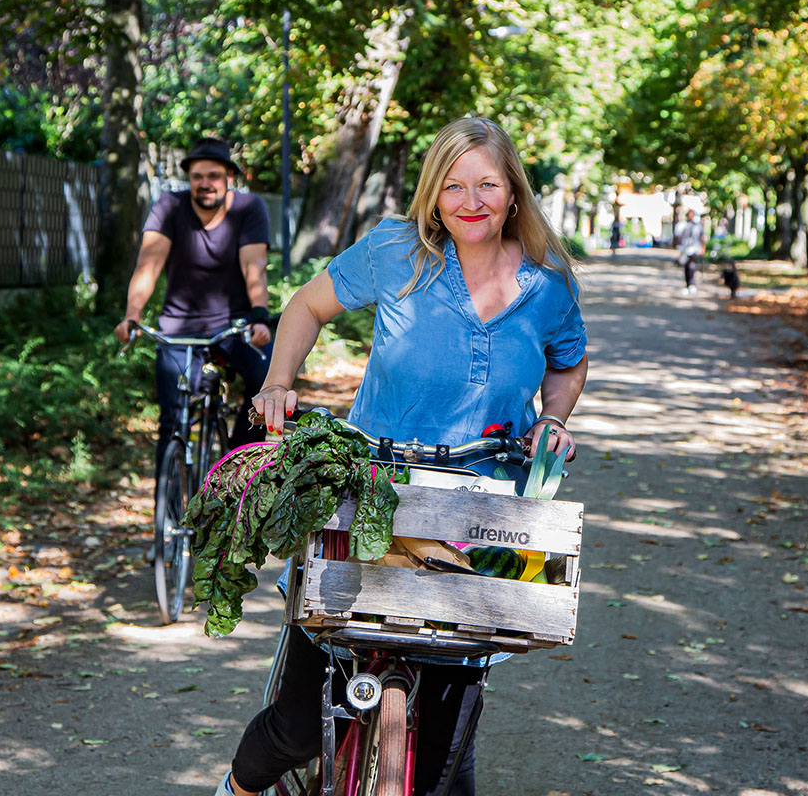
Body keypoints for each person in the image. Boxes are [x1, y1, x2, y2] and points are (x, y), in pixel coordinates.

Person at [216, 117, 589, 796]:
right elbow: (304, 307)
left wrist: (554, 418)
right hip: (367, 496)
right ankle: (236, 790)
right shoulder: (397, 250)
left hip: (481, 521)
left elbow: (570, 361)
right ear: (432, 193)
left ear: (512, 194)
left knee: (448, 753)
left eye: (486, 184)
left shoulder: (548, 282)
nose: (469, 199)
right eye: (453, 185)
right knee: (300, 728)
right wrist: (277, 382)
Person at [113, 137, 274, 460]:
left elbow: (253, 265)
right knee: (172, 421)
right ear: (188, 179)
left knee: (266, 383)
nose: (205, 184)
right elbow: (149, 265)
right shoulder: (169, 207)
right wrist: (133, 315)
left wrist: (260, 315)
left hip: (235, 323)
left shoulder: (248, 208)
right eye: (197, 176)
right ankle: (169, 502)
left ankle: (236, 460)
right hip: (179, 326)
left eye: (213, 176)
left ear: (229, 177)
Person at [674, 208, 705, 294]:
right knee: (687, 267)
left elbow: (702, 237)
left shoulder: (698, 225)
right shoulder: (684, 225)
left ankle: (692, 284)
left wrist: (703, 248)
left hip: (695, 249)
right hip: (686, 249)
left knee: (692, 266)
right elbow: (678, 236)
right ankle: (689, 284)